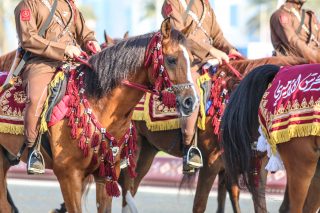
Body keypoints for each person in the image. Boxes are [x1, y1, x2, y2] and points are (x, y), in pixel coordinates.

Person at [14, 0, 101, 174]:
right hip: (40, 64)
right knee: (35, 99)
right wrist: (64, 49)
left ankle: (109, 146)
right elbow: (28, 39)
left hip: (73, 62)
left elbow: (83, 33)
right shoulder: (26, 5)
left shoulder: (68, 4)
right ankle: (33, 149)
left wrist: (91, 41)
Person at [162, 0, 242, 173]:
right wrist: (211, 51)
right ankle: (188, 149)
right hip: (186, 63)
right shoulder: (172, 3)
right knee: (193, 95)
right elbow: (178, 35)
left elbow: (218, 36)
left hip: (209, 61)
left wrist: (230, 49)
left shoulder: (205, 5)